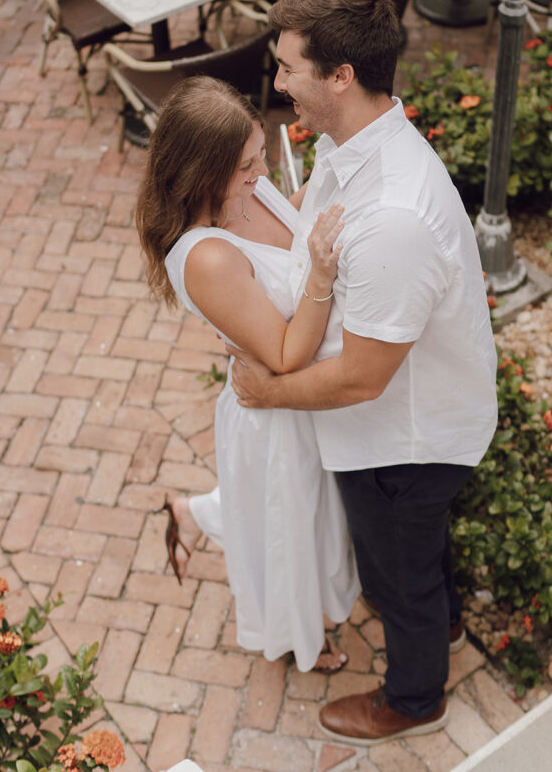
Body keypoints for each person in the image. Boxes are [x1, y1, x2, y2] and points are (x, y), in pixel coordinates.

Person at [228, 0, 498, 744]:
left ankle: (415, 700)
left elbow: (362, 377)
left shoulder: (393, 218)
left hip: (403, 438)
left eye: (287, 69)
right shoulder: (353, 144)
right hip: (403, 418)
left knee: (396, 573)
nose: (277, 84)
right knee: (421, 556)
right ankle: (442, 627)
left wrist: (267, 390)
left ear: (340, 76)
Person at [135, 75, 359, 674]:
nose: (263, 173)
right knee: (288, 533)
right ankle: (294, 641)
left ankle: (191, 513)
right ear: (201, 174)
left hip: (305, 399)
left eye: (261, 155)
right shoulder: (205, 256)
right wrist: (319, 274)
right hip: (275, 414)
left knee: (302, 518)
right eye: (247, 165)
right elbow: (285, 354)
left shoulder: (247, 191)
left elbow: (295, 217)